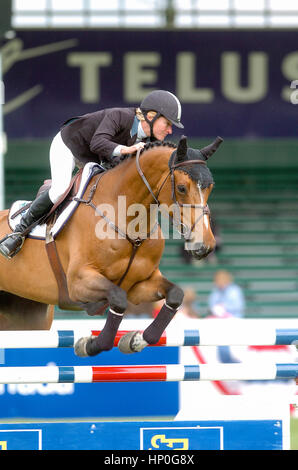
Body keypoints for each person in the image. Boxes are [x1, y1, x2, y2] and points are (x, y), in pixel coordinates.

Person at [0, 90, 184, 259]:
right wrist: (126, 150)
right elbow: (97, 143)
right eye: (167, 123)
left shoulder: (149, 140)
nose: (170, 130)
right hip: (69, 146)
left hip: (95, 159)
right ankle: (18, 233)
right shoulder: (119, 116)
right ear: (151, 116)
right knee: (59, 189)